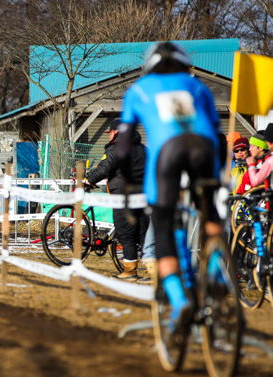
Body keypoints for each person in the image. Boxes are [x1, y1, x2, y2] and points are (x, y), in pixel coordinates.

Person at [115, 41, 226, 329]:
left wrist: (127, 184)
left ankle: (180, 302)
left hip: (168, 153)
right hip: (206, 148)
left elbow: (123, 147)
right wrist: (219, 177)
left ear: (149, 66)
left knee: (162, 224)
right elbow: (219, 136)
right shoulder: (198, 87)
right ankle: (217, 274)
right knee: (210, 213)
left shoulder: (139, 89)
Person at [86, 119, 148, 281]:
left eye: (110, 133)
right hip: (142, 197)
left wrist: (89, 181)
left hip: (122, 197)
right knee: (143, 234)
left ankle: (130, 271)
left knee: (126, 234)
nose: (109, 136)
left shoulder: (116, 149)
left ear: (115, 132)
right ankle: (155, 271)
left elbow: (105, 168)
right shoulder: (144, 150)